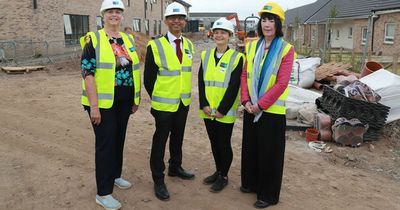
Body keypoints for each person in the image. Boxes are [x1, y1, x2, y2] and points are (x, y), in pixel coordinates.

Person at [79, 0, 141, 209]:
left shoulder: (127, 39)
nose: (114, 15)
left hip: (124, 101)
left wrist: (135, 99)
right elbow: (88, 74)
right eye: (110, 12)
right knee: (105, 145)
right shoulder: (93, 39)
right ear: (103, 15)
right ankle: (103, 193)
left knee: (118, 139)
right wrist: (94, 107)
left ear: (122, 16)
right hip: (102, 103)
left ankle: (115, 175)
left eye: (118, 11)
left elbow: (133, 70)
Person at [240, 2, 295, 209]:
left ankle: (268, 194)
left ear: (278, 24)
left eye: (271, 20)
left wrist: (260, 105)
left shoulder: (286, 50)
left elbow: (281, 83)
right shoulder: (252, 45)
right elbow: (245, 74)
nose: (267, 24)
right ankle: (251, 184)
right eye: (264, 19)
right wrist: (246, 101)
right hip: (250, 107)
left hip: (271, 112)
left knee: (269, 153)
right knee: (252, 148)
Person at [144, 2, 195, 201]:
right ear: (166, 21)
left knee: (178, 137)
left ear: (184, 22)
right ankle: (158, 178)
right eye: (173, 18)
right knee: (160, 141)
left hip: (183, 103)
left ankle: (175, 166)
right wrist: (158, 99)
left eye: (180, 18)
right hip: (163, 104)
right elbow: (149, 79)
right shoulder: (155, 45)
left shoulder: (189, 45)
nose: (177, 21)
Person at [198, 18, 244, 192]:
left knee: (223, 143)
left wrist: (222, 110)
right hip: (208, 110)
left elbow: (234, 87)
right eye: (216, 32)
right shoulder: (205, 55)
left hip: (225, 112)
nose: (219, 35)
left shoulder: (237, 57)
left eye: (223, 32)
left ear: (229, 35)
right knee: (214, 142)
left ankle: (224, 176)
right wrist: (204, 104)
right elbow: (201, 82)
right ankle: (218, 171)